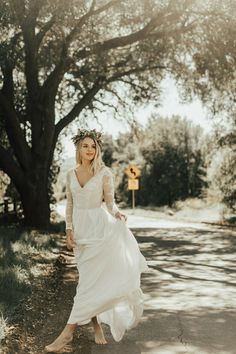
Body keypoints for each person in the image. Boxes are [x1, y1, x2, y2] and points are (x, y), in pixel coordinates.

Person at [45, 128, 148, 352]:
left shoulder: (104, 173)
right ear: (79, 149)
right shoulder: (71, 174)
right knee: (86, 282)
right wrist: (68, 229)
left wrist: (118, 213)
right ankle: (96, 325)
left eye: (93, 146)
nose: (90, 149)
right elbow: (70, 205)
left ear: (97, 149)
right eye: (85, 146)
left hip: (100, 232)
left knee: (87, 285)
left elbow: (110, 203)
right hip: (81, 234)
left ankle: (66, 334)